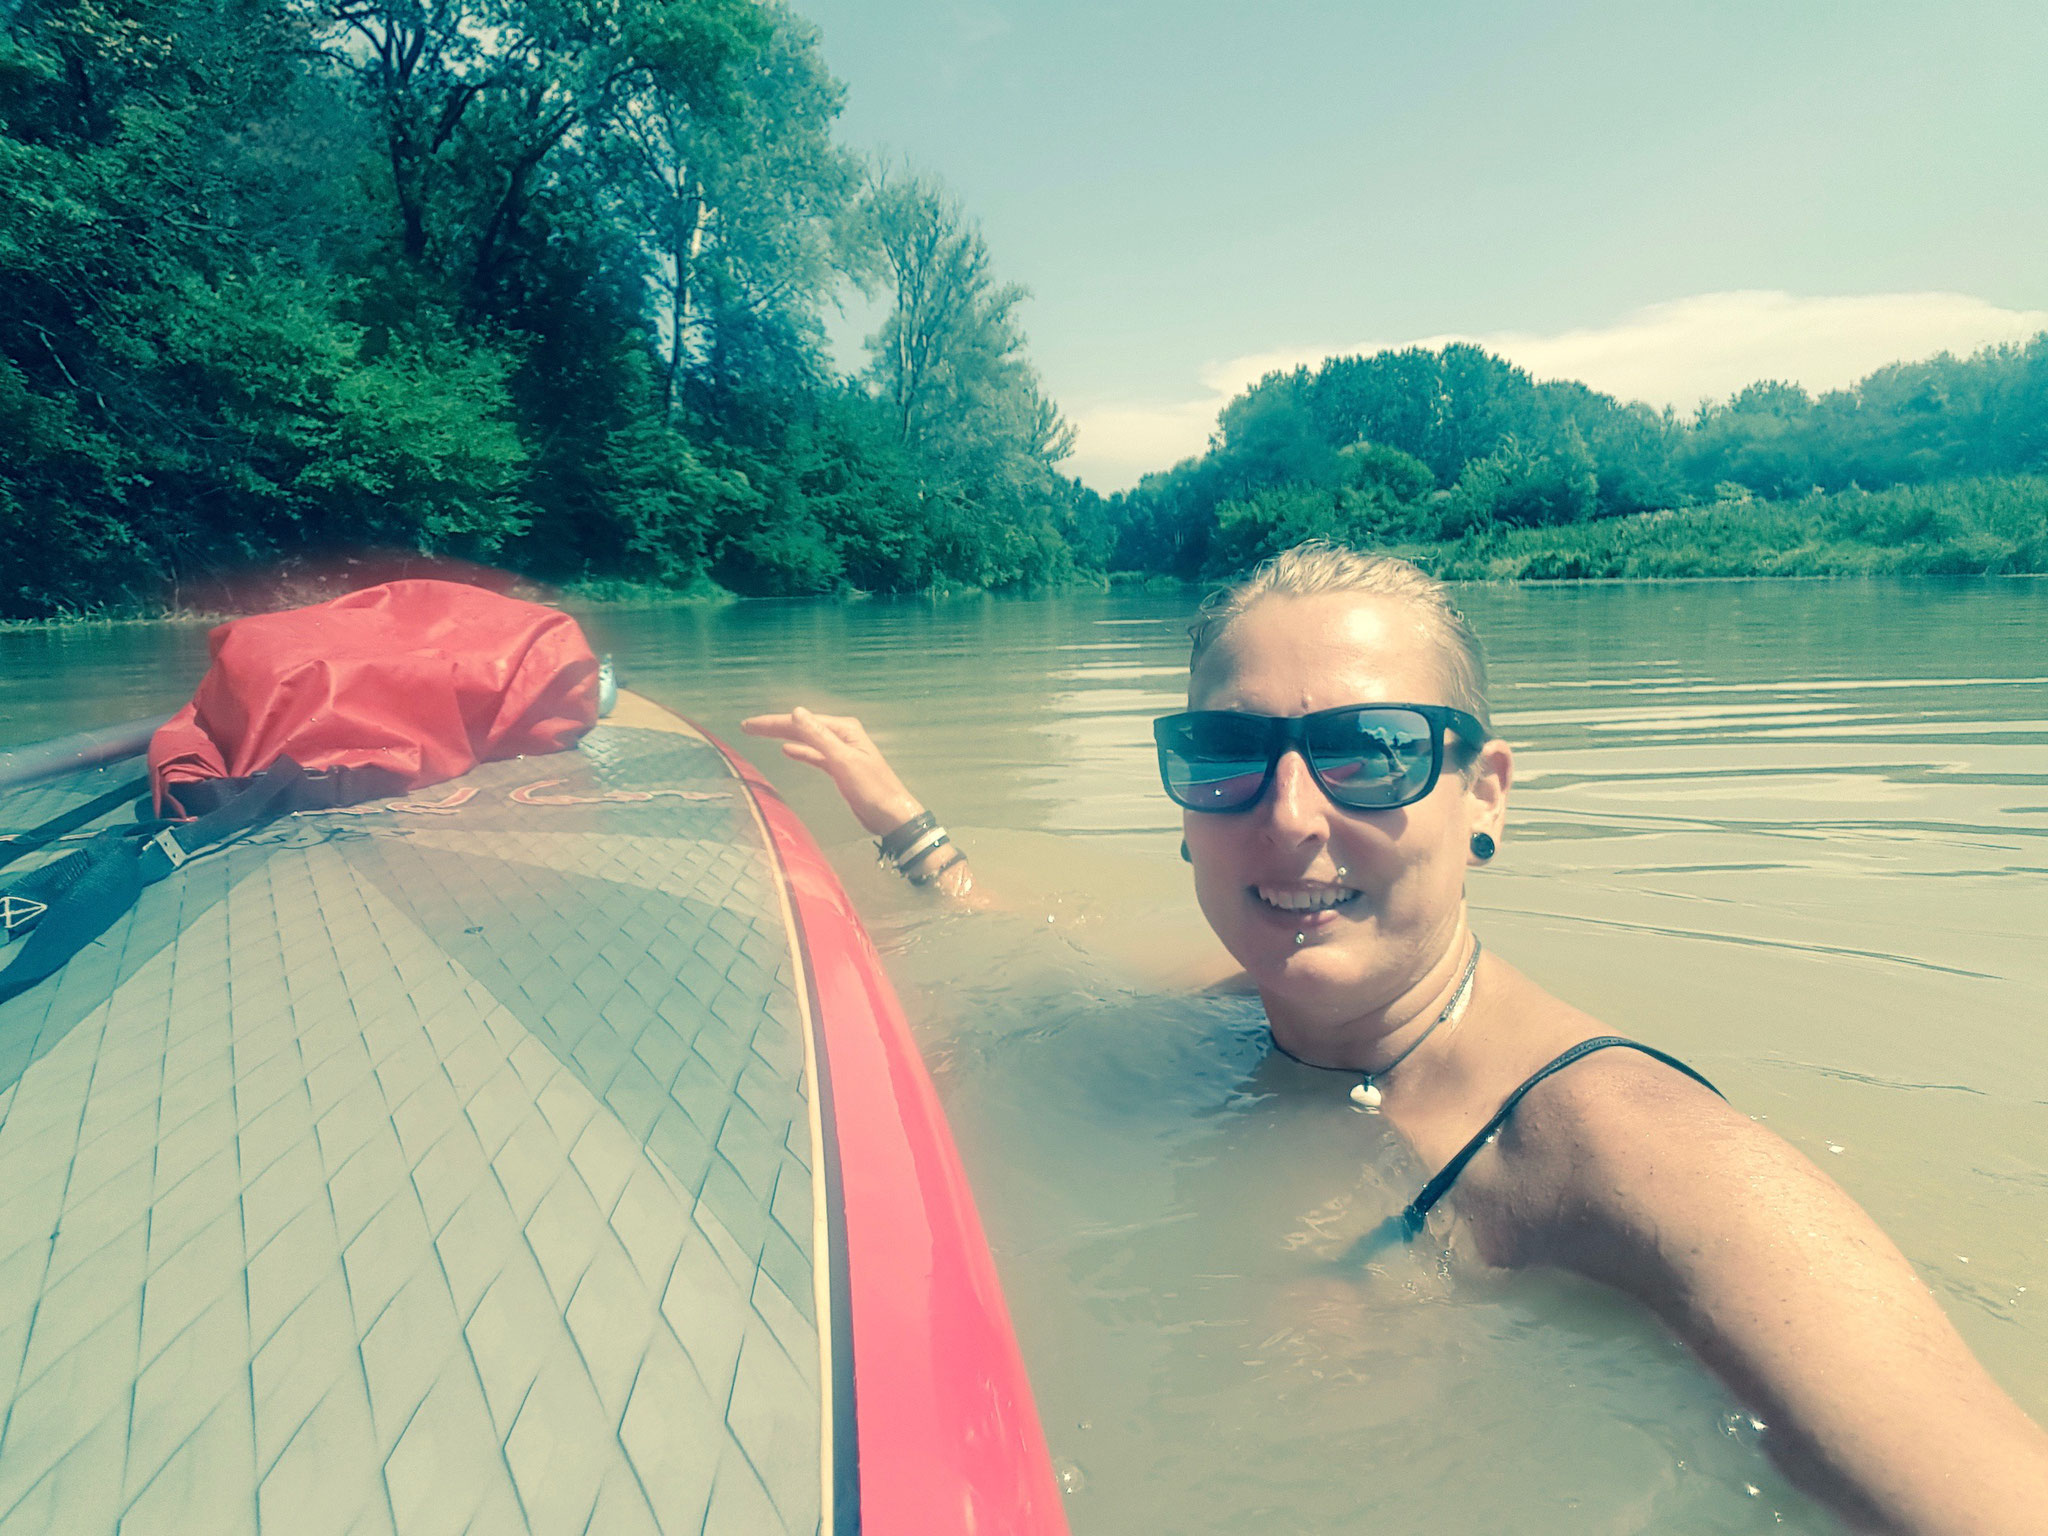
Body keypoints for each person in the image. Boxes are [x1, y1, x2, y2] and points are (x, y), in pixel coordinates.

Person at [743, 541, 2048, 1533]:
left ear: (1485, 795)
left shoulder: (1633, 1160)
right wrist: (898, 820)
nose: (1291, 816)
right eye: (1227, 753)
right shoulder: (1237, 992)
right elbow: (1008, 933)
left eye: (1370, 752)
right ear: (1186, 805)